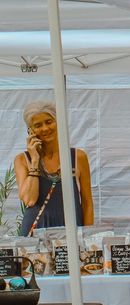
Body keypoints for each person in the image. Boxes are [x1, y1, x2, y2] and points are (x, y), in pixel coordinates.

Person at [15, 100, 93, 235]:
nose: (45, 128)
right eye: (38, 125)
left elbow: (87, 203)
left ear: (59, 122)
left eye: (49, 121)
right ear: (30, 131)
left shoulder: (77, 157)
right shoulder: (23, 160)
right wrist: (35, 161)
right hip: (34, 235)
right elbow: (30, 199)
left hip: (71, 232)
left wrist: (87, 236)